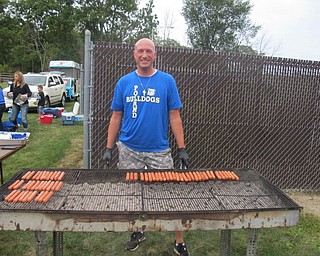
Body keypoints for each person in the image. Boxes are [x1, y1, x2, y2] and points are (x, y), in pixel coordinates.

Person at [103, 38, 190, 256]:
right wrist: (108, 147)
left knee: (169, 195)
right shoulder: (123, 82)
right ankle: (138, 231)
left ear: (155, 54)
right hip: (129, 148)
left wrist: (181, 148)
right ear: (134, 54)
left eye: (148, 51)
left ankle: (179, 241)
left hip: (158, 149)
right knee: (132, 193)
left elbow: (174, 116)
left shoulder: (167, 81)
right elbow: (116, 116)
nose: (144, 55)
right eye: (140, 51)